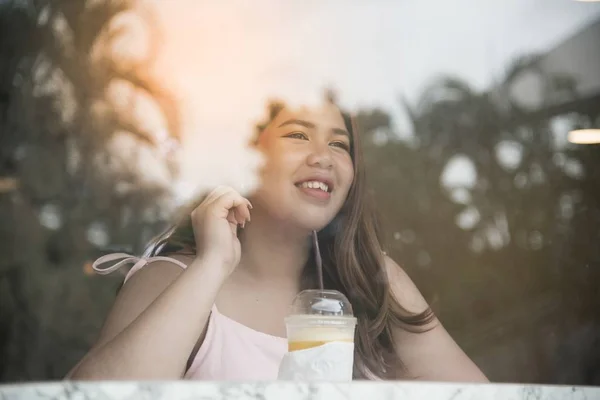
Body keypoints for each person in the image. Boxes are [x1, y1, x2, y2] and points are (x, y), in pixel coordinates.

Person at [67, 100, 488, 381]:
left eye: (339, 145)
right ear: (246, 159)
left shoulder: (376, 282)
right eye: (298, 135)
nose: (323, 156)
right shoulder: (172, 280)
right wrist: (212, 264)